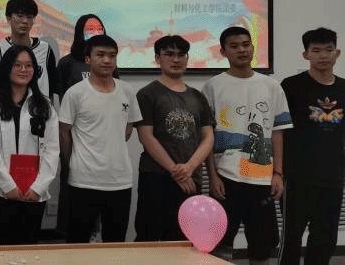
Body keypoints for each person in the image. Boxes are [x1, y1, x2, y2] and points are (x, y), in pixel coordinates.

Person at [204, 26, 292, 265]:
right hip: (226, 178)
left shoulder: (271, 86)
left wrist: (278, 173)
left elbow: (278, 132)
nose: (241, 50)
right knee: (218, 245)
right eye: (234, 46)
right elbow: (207, 136)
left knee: (262, 247)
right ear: (223, 52)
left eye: (245, 45)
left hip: (262, 179)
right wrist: (212, 176)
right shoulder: (212, 86)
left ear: (253, 48)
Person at [59, 35, 141, 243]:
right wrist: (73, 162)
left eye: (112, 56)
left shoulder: (127, 91)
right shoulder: (75, 93)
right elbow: (64, 133)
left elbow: (128, 129)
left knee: (115, 242)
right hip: (83, 180)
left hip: (119, 180)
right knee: (78, 242)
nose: (107, 60)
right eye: (101, 55)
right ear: (88, 58)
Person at [133, 35, 215, 241]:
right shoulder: (147, 94)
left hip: (191, 178)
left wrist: (189, 168)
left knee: (183, 240)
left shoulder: (198, 96)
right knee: (149, 239)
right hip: (156, 177)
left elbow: (208, 137)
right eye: (169, 54)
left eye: (181, 55)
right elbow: (146, 137)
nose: (176, 59)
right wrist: (177, 172)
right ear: (157, 58)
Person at [279, 28, 343, 265]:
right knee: (291, 240)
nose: (323, 55)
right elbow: (279, 131)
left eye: (328, 50)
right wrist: (278, 172)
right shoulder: (291, 86)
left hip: (333, 178)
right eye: (316, 50)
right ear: (305, 54)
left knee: (325, 241)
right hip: (297, 178)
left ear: (337, 53)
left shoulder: (344, 87)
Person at [0, 45, 59, 245]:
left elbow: (52, 150)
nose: (23, 70)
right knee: (2, 247)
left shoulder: (44, 105)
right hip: (1, 191)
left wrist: (38, 187)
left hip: (34, 192)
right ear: (7, 67)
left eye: (28, 65)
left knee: (28, 247)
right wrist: (8, 185)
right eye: (17, 65)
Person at [0, 0, 57, 101]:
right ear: (8, 18)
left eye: (29, 17)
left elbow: (51, 87)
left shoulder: (46, 50)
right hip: (5, 108)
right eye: (19, 16)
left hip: (38, 108)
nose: (25, 21)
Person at [56, 14, 117, 100]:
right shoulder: (66, 63)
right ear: (80, 32)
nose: (96, 32)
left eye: (100, 29)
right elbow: (63, 97)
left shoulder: (108, 62)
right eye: (91, 29)